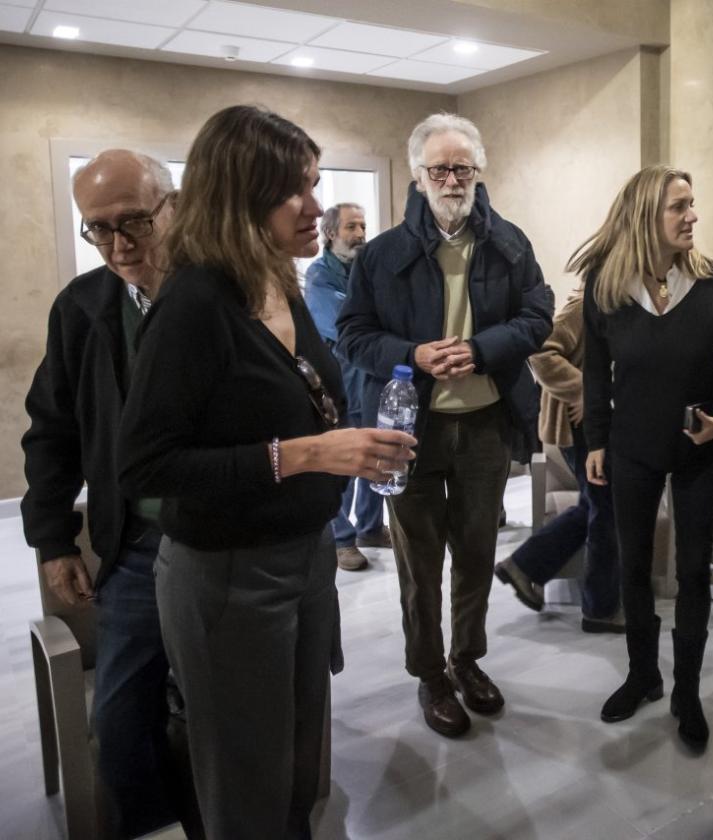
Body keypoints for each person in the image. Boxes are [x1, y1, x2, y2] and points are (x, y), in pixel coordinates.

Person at [118, 105, 414, 838]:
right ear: (241, 198)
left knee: (296, 768)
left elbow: (308, 401)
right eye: (298, 192)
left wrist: (347, 442)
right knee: (243, 781)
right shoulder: (193, 302)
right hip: (227, 574)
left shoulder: (278, 282)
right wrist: (308, 455)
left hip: (304, 556)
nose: (318, 207)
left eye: (315, 187)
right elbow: (145, 464)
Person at [337, 112, 553, 738]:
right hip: (410, 430)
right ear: (418, 175)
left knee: (478, 551)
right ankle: (430, 673)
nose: (451, 179)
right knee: (418, 560)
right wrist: (413, 354)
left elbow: (538, 315)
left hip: (484, 424)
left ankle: (467, 659)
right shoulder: (382, 254)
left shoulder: (509, 243)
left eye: (462, 167)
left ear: (477, 171)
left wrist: (483, 348)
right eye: (440, 168)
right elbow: (352, 334)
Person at [22, 150, 187, 838]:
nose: (118, 244)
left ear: (171, 208)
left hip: (226, 546)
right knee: (118, 728)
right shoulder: (83, 309)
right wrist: (55, 539)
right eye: (98, 228)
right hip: (137, 547)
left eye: (133, 222)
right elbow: (51, 432)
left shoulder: (222, 295)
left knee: (231, 721)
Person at [580, 165, 713, 749]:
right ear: (644, 217)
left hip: (697, 450)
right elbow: (594, 376)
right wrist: (598, 441)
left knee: (691, 574)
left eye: (692, 204)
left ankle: (686, 691)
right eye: (678, 206)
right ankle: (643, 675)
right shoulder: (607, 286)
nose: (692, 216)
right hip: (630, 449)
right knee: (634, 566)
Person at [494, 286, 622, 632]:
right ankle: (599, 608)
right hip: (581, 429)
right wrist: (588, 390)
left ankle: (524, 566)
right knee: (604, 510)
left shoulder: (623, 304)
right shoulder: (585, 304)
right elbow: (541, 355)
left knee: (597, 506)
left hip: (600, 425)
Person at [304, 202, 389, 571]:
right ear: (330, 233)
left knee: (374, 453)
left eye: (363, 226)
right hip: (338, 379)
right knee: (342, 461)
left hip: (369, 376)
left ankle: (371, 528)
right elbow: (344, 326)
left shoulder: (367, 269)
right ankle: (342, 539)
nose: (359, 234)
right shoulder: (320, 275)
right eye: (351, 227)